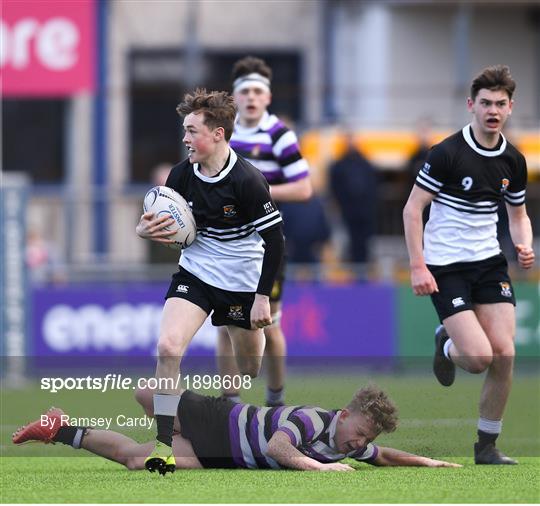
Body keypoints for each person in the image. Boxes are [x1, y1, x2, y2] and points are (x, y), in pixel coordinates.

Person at [135, 88, 285, 474]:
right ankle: (163, 445)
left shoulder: (248, 180)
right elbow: (163, 227)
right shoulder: (180, 174)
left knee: (250, 367)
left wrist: (261, 298)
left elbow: (275, 241)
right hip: (196, 273)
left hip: (240, 282)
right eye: (184, 130)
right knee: (168, 346)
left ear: (217, 134)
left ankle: (249, 344)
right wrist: (145, 229)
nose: (185, 138)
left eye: (192, 130)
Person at [402, 65, 535, 465]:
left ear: (510, 108)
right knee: (478, 359)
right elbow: (412, 210)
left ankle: (487, 446)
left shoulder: (513, 160)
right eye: (485, 103)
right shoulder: (447, 153)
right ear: (471, 105)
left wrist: (524, 245)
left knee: (505, 354)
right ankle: (446, 341)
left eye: (500, 104)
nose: (492, 110)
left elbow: (518, 215)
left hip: (490, 264)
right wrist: (417, 266)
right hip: (446, 266)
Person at [12, 385, 460, 472]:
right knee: (147, 393)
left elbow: (381, 456)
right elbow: (279, 446)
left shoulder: (349, 446)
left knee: (137, 459)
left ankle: (60, 428)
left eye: (365, 438)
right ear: (344, 414)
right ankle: (168, 416)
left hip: (218, 455)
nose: (359, 443)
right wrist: (319, 470)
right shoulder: (313, 420)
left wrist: (428, 461)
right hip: (218, 420)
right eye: (359, 432)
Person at [216, 56, 312, 408]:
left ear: (267, 97)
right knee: (226, 326)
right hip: (223, 245)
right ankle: (230, 405)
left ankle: (275, 402)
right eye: (246, 92)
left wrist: (257, 193)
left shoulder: (279, 135)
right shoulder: (222, 133)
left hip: (264, 245)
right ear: (235, 97)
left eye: (258, 91)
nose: (252, 98)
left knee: (268, 325)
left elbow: (304, 188)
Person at [329, 133, 378, 267]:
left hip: (365, 213)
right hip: (347, 212)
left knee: (364, 244)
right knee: (349, 243)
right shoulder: (339, 165)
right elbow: (335, 188)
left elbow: (373, 187)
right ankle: (354, 271)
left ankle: (363, 270)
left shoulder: (366, 164)